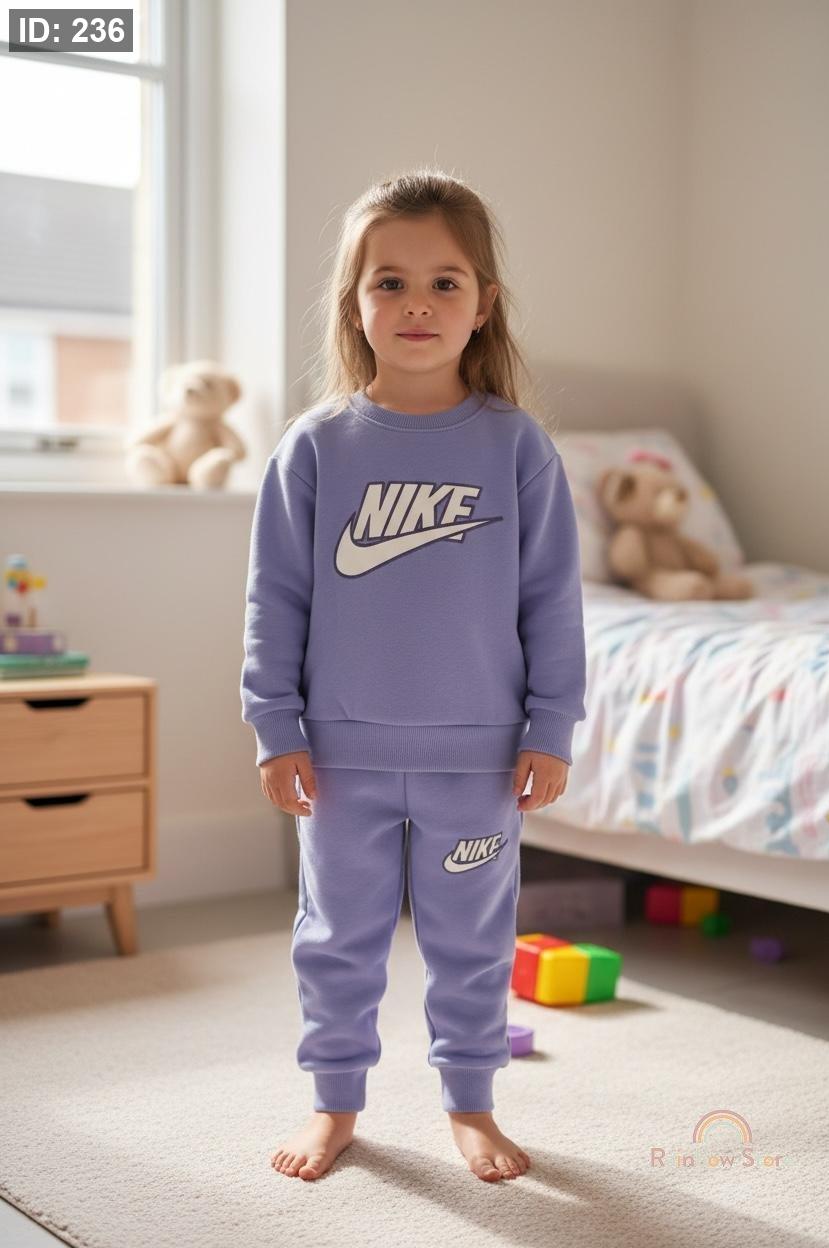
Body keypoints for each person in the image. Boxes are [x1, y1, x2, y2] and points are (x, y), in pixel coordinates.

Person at [240, 168, 587, 1184]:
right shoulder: (314, 448)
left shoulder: (517, 448)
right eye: (389, 282)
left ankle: (470, 1104)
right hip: (337, 761)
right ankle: (334, 1103)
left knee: (471, 943)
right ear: (354, 303)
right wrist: (275, 726)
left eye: (445, 282)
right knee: (335, 939)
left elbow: (552, 602)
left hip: (477, 761)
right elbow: (275, 600)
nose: (417, 304)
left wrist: (550, 726)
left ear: (484, 305)